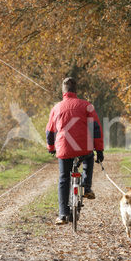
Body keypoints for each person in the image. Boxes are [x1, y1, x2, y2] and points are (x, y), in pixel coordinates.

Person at [46, 77, 104, 225]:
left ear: (63, 91)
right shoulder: (86, 106)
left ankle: (63, 214)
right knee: (89, 158)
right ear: (76, 91)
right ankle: (86, 186)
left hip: (64, 149)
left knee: (64, 178)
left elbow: (50, 132)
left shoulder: (56, 108)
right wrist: (100, 150)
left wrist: (51, 148)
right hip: (84, 149)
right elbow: (96, 129)